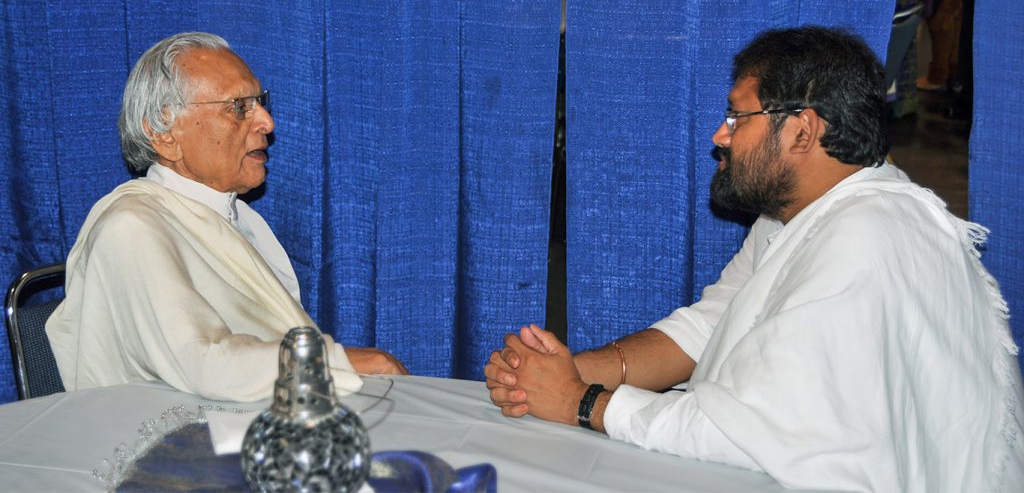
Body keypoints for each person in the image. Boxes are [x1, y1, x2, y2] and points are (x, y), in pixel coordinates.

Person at [485, 27, 1024, 491]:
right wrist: (554, 374)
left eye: (737, 117)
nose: (720, 137)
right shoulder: (798, 214)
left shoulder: (867, 239)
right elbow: (708, 327)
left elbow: (750, 430)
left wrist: (582, 403)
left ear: (803, 130)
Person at [46, 32, 408, 402]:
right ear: (163, 133)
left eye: (260, 103)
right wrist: (342, 362)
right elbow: (205, 364)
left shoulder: (242, 217)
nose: (266, 122)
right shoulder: (131, 227)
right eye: (238, 107)